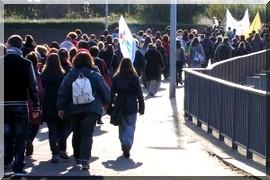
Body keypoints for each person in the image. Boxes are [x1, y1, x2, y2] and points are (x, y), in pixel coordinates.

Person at [57, 51, 110, 170]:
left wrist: (61, 107)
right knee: (87, 135)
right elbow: (105, 90)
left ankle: (77, 157)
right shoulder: (94, 74)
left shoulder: (70, 75)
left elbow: (63, 91)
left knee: (77, 133)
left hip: (73, 109)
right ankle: (85, 160)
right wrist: (106, 102)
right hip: (91, 109)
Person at [4, 35, 40, 175]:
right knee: (20, 136)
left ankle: (5, 162)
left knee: (5, 135)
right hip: (20, 103)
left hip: (2, 104)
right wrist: (36, 106)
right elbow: (33, 86)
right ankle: (18, 166)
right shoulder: (26, 63)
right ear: (20, 46)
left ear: (8, 45)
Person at [110, 58, 145, 158]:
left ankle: (123, 143)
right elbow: (139, 93)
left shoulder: (116, 77)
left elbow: (112, 93)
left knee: (122, 126)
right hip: (132, 103)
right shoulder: (134, 77)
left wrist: (109, 105)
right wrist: (142, 107)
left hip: (120, 104)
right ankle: (127, 143)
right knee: (131, 126)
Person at [40, 53, 69, 163]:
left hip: (48, 104)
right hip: (60, 104)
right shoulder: (62, 75)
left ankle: (55, 153)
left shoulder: (43, 75)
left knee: (52, 130)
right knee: (62, 128)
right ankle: (62, 149)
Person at [25, 52, 44, 157]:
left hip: (24, 101)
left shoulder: (23, 70)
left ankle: (26, 140)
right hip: (35, 101)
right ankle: (30, 140)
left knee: (26, 124)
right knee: (35, 123)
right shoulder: (38, 74)